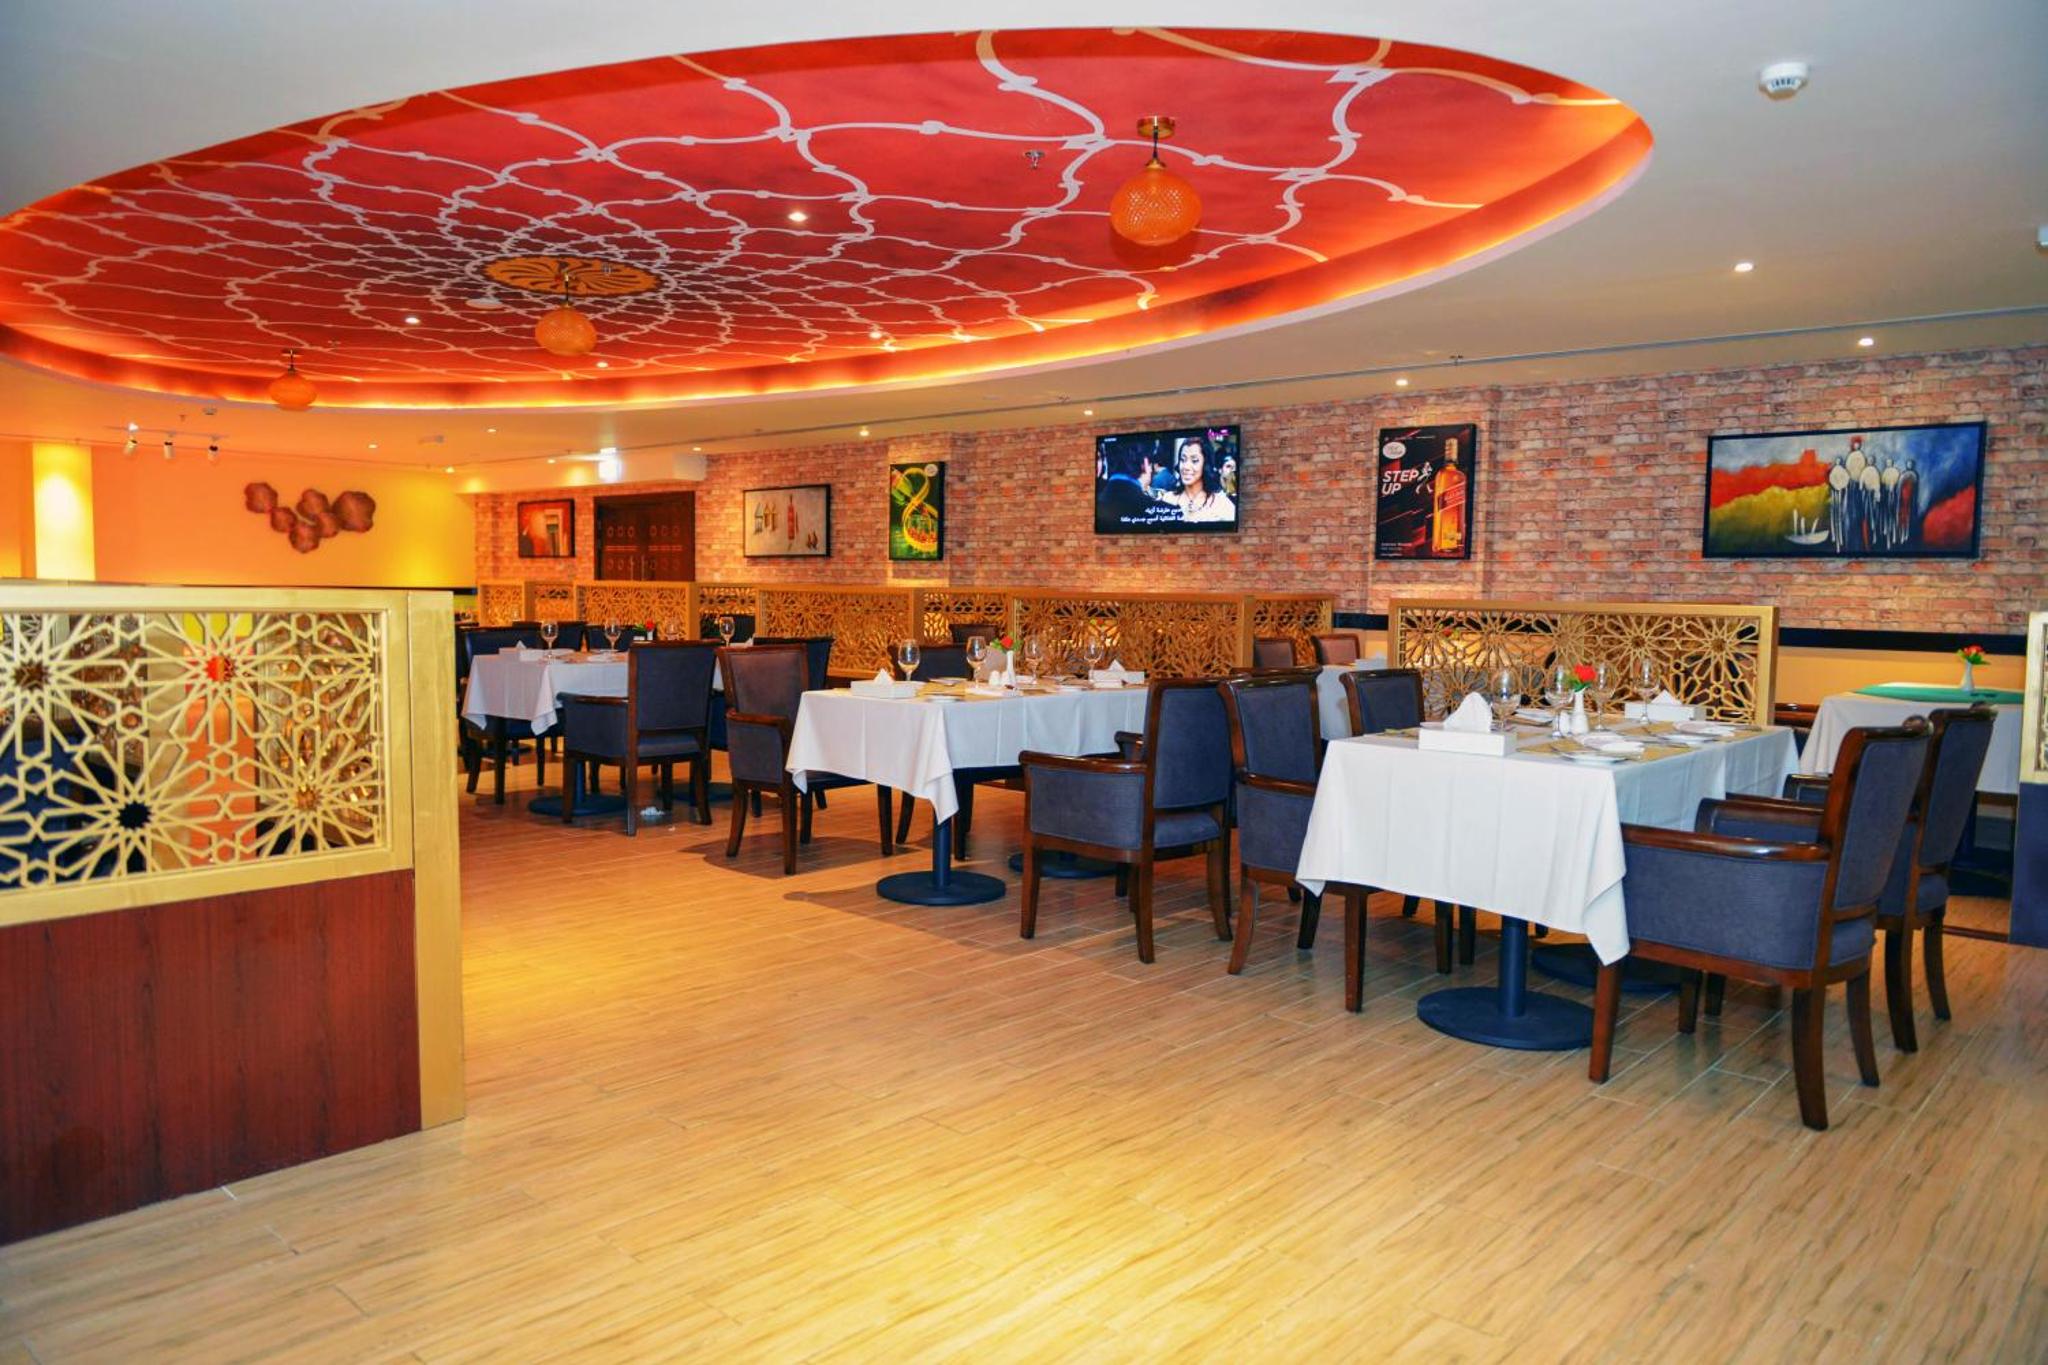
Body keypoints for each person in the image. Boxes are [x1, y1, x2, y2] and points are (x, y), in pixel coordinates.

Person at [1160, 436, 1235, 523]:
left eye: (1194, 461)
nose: (1186, 467)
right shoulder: (1168, 499)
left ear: (1206, 465)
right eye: (1183, 460)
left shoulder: (1221, 504)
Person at [1098, 443, 1166, 525]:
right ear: (1145, 463)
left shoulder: (1096, 505)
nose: (1152, 470)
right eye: (1151, 464)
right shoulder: (1161, 513)